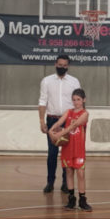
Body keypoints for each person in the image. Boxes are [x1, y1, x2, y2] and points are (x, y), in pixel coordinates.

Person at [38, 54, 80, 194]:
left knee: (67, 154)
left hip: (69, 121)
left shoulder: (74, 81)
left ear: (68, 66)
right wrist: (41, 120)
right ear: (55, 64)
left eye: (65, 65)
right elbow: (43, 101)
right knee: (52, 153)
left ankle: (65, 183)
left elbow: (78, 102)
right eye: (60, 65)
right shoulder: (46, 81)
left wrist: (77, 120)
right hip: (52, 121)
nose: (62, 67)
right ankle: (50, 182)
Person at [49, 88, 92, 212]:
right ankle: (71, 199)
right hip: (68, 147)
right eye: (74, 100)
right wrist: (51, 130)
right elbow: (59, 122)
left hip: (78, 148)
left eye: (78, 99)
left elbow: (73, 126)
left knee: (80, 173)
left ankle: (82, 200)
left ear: (84, 100)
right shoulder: (68, 112)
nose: (76, 102)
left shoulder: (85, 114)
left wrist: (59, 133)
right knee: (68, 171)